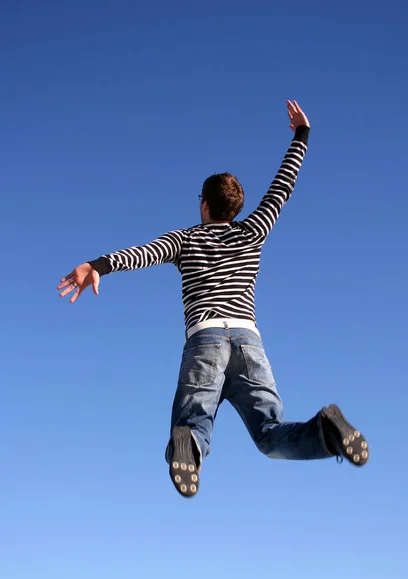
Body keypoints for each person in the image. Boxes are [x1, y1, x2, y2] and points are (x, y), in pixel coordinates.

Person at [57, 100, 369, 499]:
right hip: (248, 340)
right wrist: (301, 136)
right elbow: (281, 189)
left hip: (205, 338)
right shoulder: (252, 231)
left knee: (194, 421)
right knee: (270, 435)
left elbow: (141, 253)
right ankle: (324, 432)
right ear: (236, 207)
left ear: (204, 204)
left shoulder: (186, 238)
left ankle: (188, 440)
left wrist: (97, 265)